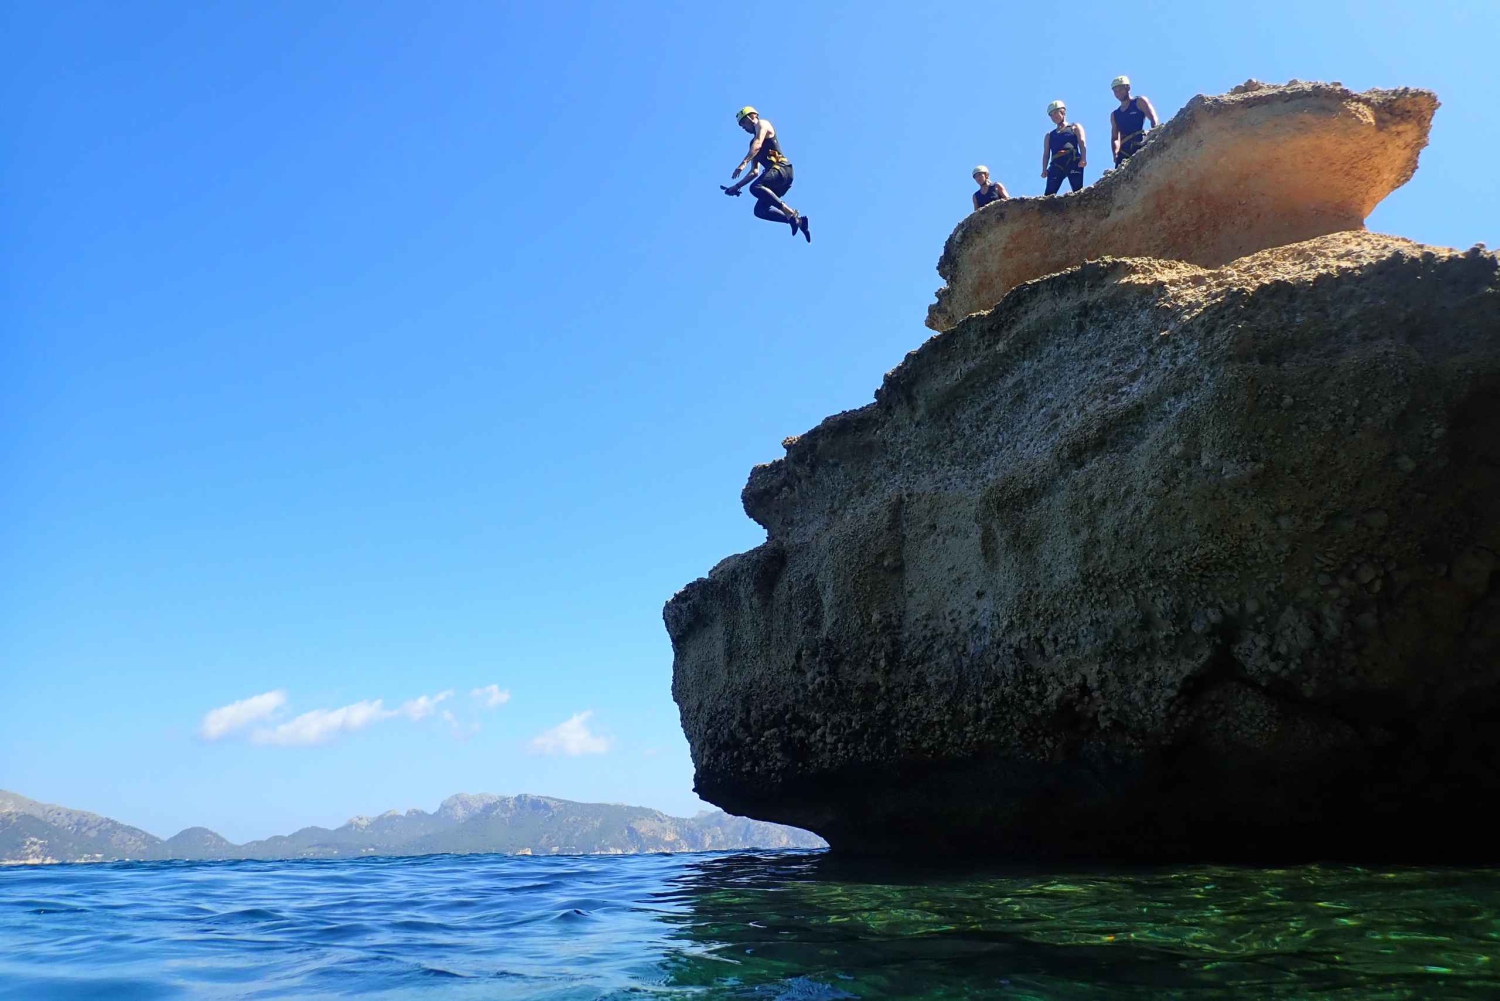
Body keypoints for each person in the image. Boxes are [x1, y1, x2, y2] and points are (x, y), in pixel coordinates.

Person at [723, 106, 810, 242]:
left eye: (743, 123)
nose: (743, 128)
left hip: (782, 169)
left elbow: (758, 144)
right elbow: (754, 172)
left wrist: (743, 163)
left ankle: (789, 212)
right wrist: (736, 186)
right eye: (741, 126)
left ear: (752, 116)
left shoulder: (762, 124)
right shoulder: (752, 143)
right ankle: (798, 222)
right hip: (776, 179)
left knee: (755, 187)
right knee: (759, 211)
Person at [1109, 75, 1160, 167]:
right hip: (1124, 150)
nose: (1118, 93)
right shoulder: (1115, 114)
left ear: (1127, 88)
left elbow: (1153, 118)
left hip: (1139, 141)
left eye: (1120, 89)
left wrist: (1154, 133)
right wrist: (1115, 154)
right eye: (1115, 91)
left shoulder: (1139, 101)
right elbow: (1115, 137)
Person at [1040, 100, 1087, 195]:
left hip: (1073, 161)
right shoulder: (1049, 135)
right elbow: (1046, 154)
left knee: (1078, 190)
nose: (1053, 116)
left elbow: (1082, 143)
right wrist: (1044, 169)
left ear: (1063, 112)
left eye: (1055, 113)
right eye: (1051, 115)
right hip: (1056, 164)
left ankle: (1081, 203)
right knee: (1049, 194)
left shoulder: (1074, 127)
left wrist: (1083, 159)